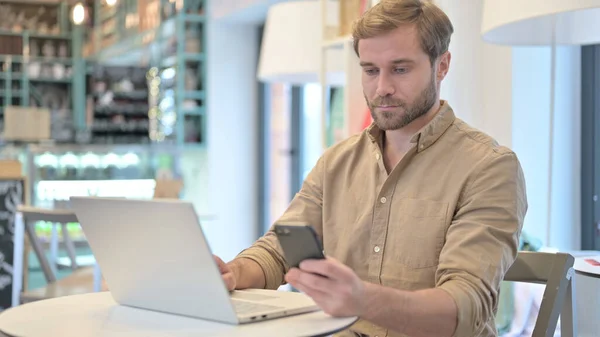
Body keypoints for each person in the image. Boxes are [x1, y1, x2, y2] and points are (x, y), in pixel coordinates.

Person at [214, 0, 527, 336]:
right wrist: (234, 271)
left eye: (400, 69)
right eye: (371, 70)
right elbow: (278, 251)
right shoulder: (336, 162)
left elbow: (465, 309)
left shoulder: (489, 168)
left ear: (442, 66)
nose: (382, 88)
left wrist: (362, 299)